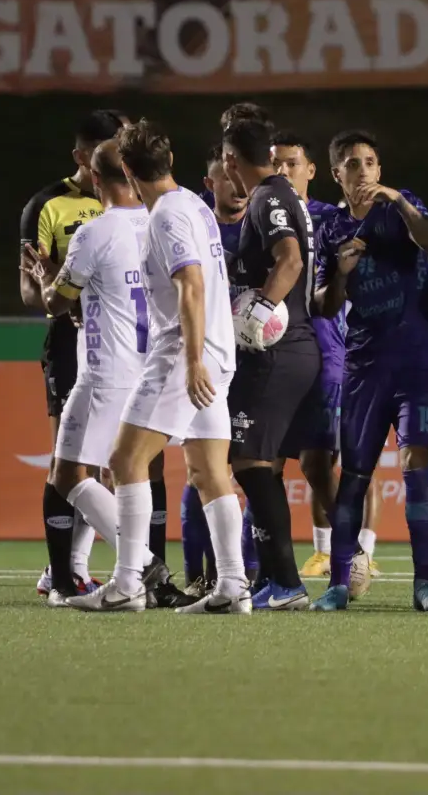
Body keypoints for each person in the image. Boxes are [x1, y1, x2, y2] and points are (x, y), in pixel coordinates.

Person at [67, 119, 247, 614]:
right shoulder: (192, 202)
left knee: (125, 461)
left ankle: (127, 584)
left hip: (185, 355)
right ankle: (233, 586)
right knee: (209, 470)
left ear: (126, 168)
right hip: (216, 351)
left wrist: (191, 362)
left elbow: (191, 282)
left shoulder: (166, 215)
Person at [310, 129, 428, 612]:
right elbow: (324, 306)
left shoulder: (401, 206)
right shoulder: (329, 230)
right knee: (354, 475)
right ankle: (339, 584)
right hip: (364, 366)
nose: (364, 170)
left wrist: (398, 200)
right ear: (337, 175)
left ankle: (422, 584)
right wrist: (343, 275)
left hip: (415, 362)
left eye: (371, 162)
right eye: (353, 163)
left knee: (416, 464)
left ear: (380, 169)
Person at [21, 139, 148, 606]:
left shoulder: (94, 232)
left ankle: (139, 564)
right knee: (125, 471)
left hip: (104, 368)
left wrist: (44, 278)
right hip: (149, 364)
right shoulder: (159, 222)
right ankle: (97, 573)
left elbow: (57, 302)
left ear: (95, 181)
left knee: (68, 473)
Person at [221, 119, 323, 612]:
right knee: (256, 465)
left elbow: (290, 261)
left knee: (251, 464)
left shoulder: (267, 197)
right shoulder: (281, 195)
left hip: (277, 351)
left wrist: (259, 310)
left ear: (230, 160)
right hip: (289, 350)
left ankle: (286, 583)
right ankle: (276, 580)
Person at [271, 132, 374, 593]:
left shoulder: (330, 220)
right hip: (268, 356)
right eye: (275, 164)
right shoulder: (261, 216)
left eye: (292, 163)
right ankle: (264, 570)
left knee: (320, 464)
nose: (283, 172)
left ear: (312, 171)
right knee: (260, 463)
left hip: (325, 353)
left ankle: (351, 554)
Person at [180, 144, 248, 596]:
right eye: (226, 176)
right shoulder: (195, 223)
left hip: (256, 362)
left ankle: (247, 573)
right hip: (207, 361)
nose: (236, 184)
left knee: (252, 469)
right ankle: (196, 575)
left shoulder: (268, 217)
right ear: (211, 183)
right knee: (201, 469)